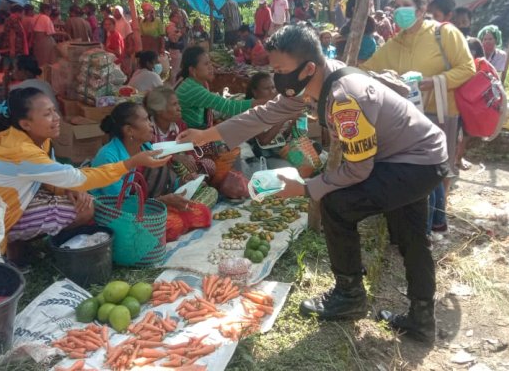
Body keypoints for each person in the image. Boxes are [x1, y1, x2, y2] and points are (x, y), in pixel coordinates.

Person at [177, 25, 449, 343]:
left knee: (336, 204)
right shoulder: (317, 81)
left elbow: (358, 171)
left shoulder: (344, 99)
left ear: (307, 68)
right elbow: (264, 114)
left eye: (280, 70)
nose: (276, 78)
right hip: (413, 154)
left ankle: (349, 297)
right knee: (411, 237)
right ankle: (421, 319)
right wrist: (205, 135)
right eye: (272, 70)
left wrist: (305, 188)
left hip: (415, 161)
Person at [0, 87, 169, 261]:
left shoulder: (38, 141)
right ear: (25, 124)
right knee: (84, 209)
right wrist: (130, 163)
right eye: (47, 114)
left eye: (54, 111)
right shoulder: (23, 151)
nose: (56, 118)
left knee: (81, 200)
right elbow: (77, 178)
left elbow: (50, 178)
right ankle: (13, 245)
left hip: (7, 204)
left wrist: (66, 189)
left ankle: (20, 245)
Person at [363, 0, 476, 236]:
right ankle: (426, 227)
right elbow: (367, 68)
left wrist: (431, 81)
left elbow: (467, 68)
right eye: (397, 4)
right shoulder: (395, 43)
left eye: (405, 4)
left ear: (422, 9)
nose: (399, 9)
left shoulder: (443, 33)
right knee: (418, 172)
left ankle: (425, 231)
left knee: (432, 172)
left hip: (439, 113)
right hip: (408, 118)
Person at [90, 102, 191, 211]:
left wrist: (183, 182)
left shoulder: (146, 147)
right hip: (117, 216)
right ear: (129, 130)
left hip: (148, 207)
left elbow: (162, 182)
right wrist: (162, 201)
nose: (151, 124)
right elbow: (122, 206)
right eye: (145, 120)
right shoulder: (108, 158)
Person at [175, 46, 260, 129]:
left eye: (210, 63)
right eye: (206, 64)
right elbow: (229, 107)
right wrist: (260, 103)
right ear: (193, 70)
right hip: (189, 136)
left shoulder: (190, 82)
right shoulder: (193, 89)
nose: (211, 67)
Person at [455, 38, 500, 171]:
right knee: (459, 133)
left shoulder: (482, 66)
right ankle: (455, 158)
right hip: (458, 102)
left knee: (466, 133)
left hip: (470, 104)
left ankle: (458, 158)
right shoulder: (458, 64)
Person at [0, 4, 29, 70]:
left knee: (7, 65)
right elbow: (12, 35)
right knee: (15, 66)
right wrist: (12, 49)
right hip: (14, 48)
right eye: (22, 13)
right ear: (18, 12)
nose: (23, 15)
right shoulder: (14, 20)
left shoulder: (10, 19)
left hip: (9, 48)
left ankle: (6, 78)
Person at [166, 12, 186, 85]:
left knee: (176, 70)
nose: (179, 18)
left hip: (177, 50)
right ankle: (173, 87)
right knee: (174, 70)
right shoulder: (171, 27)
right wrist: (180, 33)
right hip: (174, 50)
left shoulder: (175, 27)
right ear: (172, 17)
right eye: (177, 17)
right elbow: (174, 39)